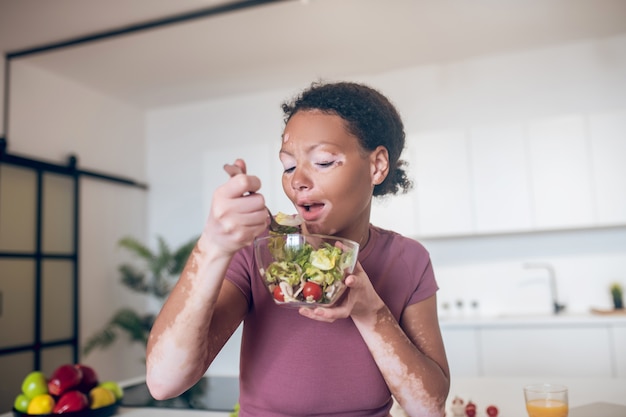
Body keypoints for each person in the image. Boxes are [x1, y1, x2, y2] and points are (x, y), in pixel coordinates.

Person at [146, 81, 450, 416]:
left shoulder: (408, 260)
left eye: (322, 161)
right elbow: (163, 382)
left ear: (376, 165)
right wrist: (213, 246)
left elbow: (429, 409)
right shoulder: (258, 250)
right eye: (289, 165)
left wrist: (371, 312)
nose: (297, 180)